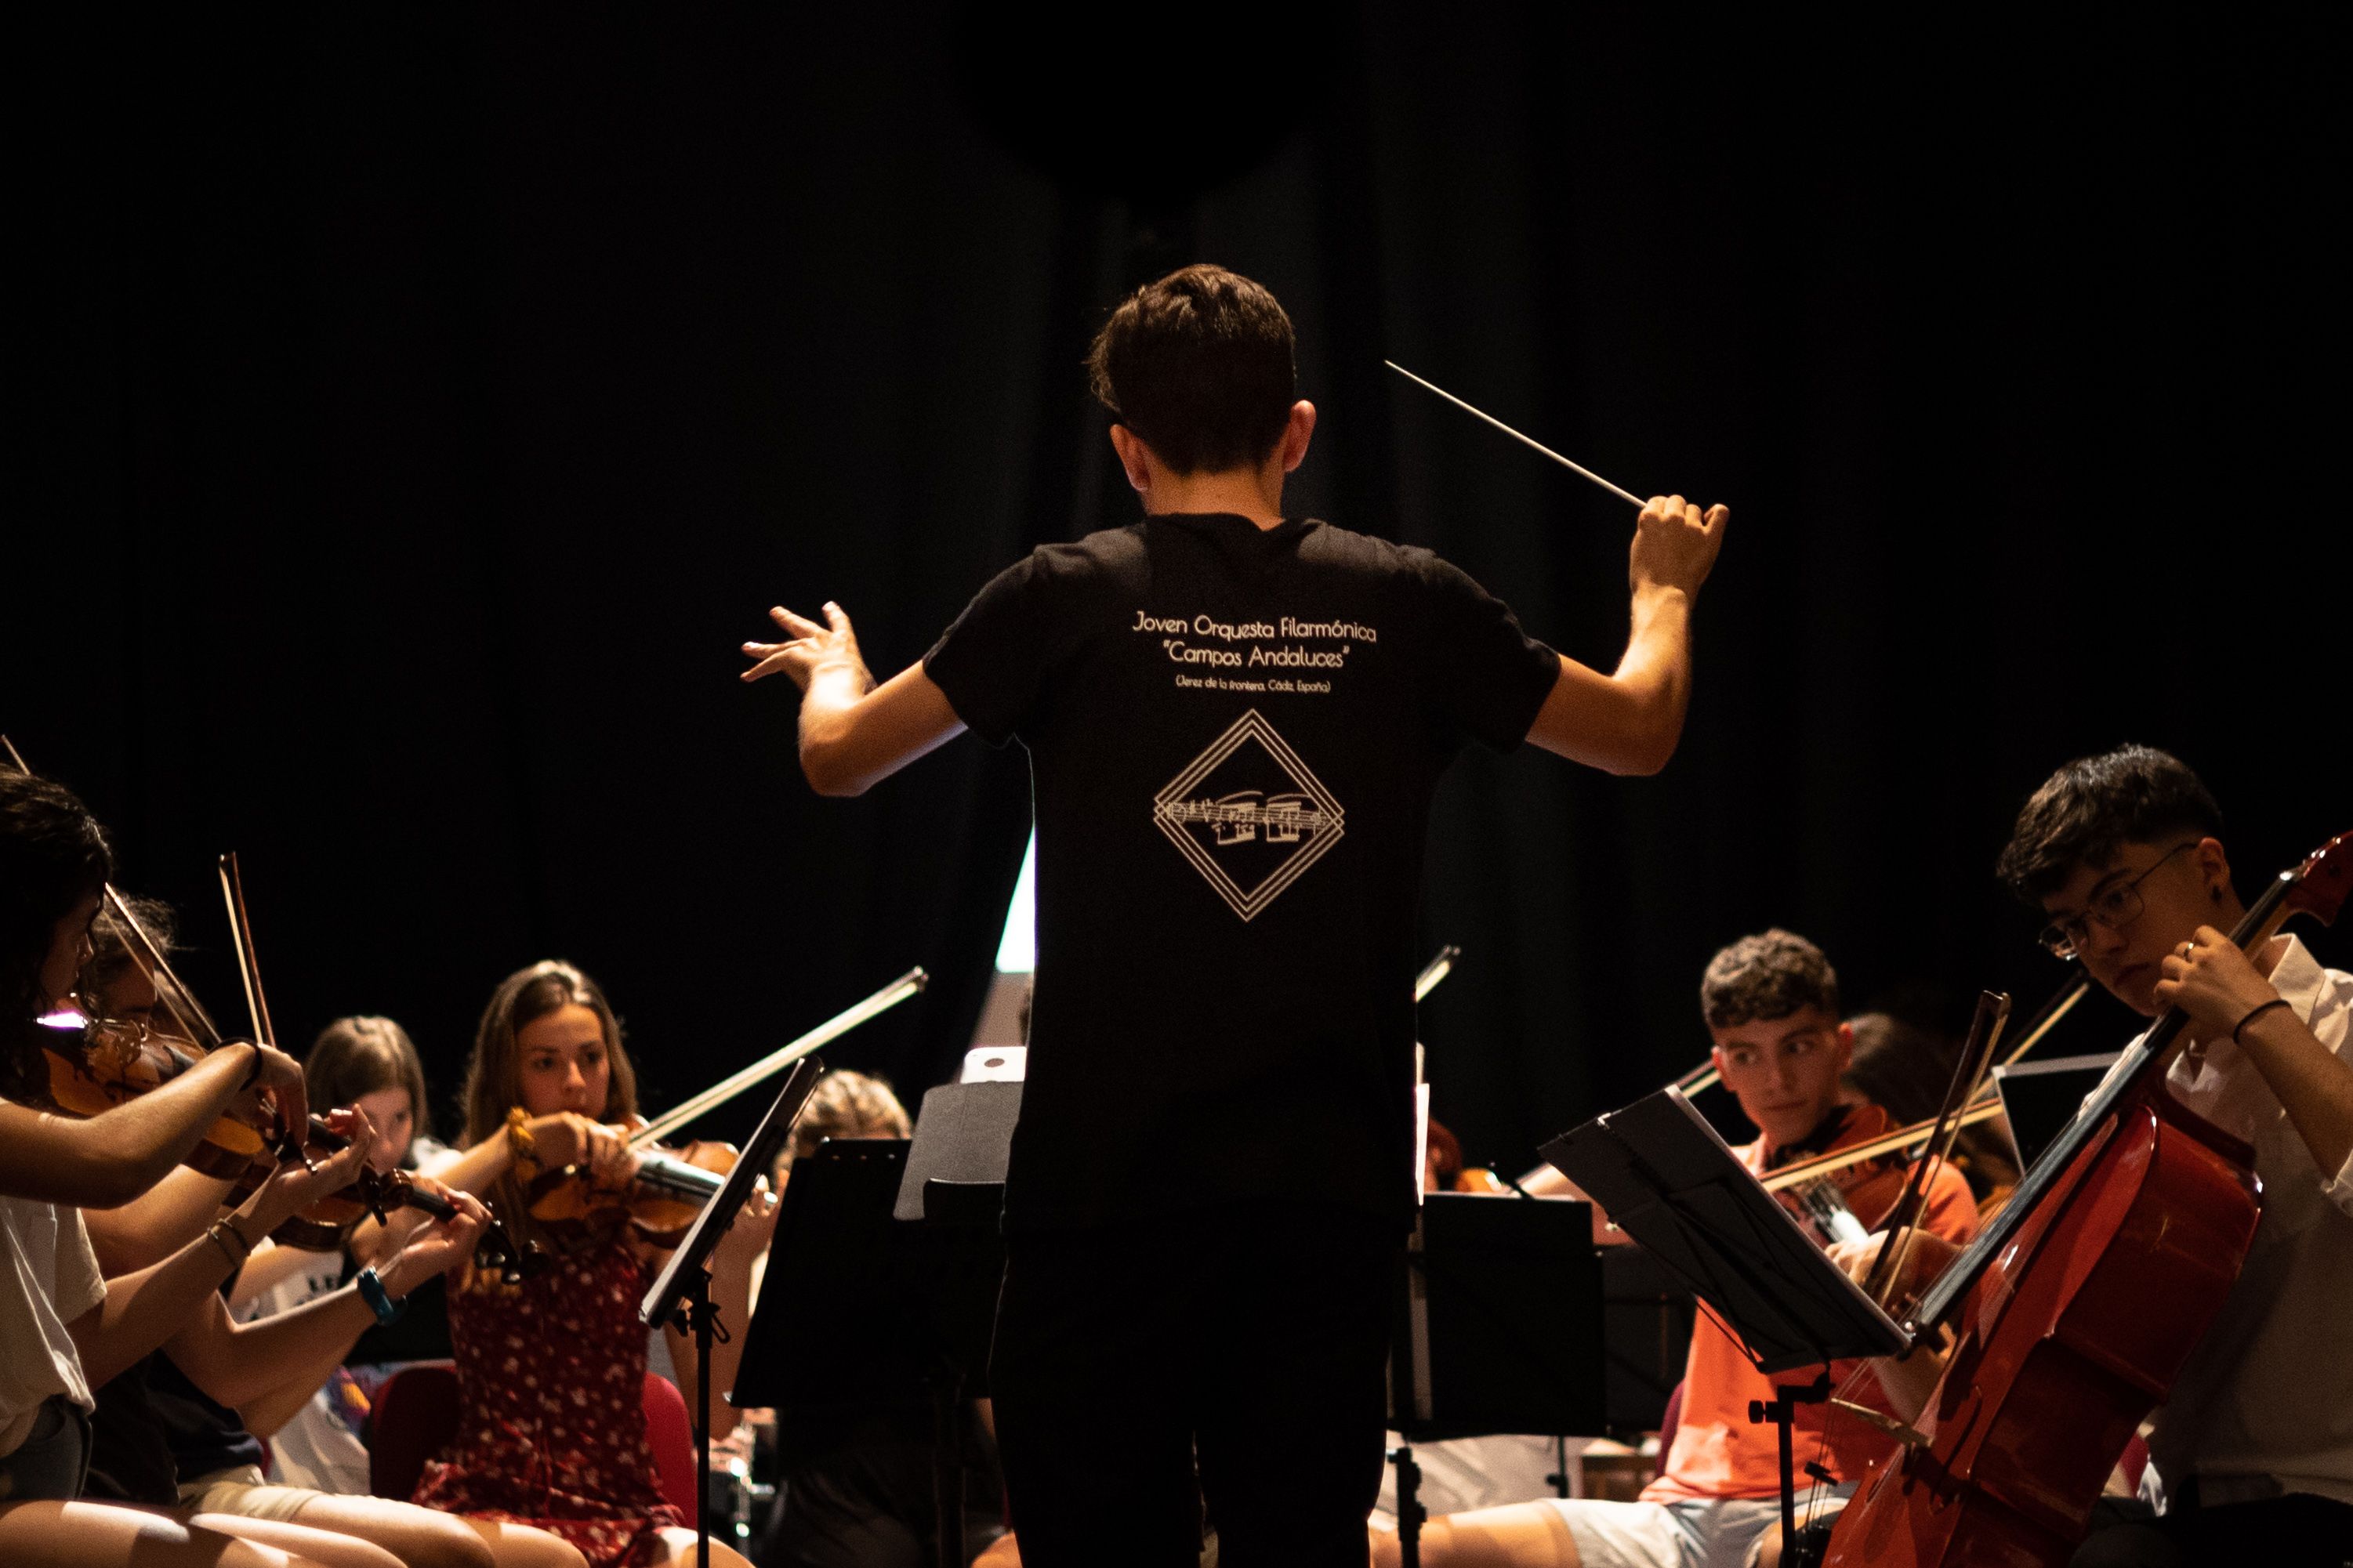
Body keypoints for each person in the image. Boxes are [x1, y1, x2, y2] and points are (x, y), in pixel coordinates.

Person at [740, 263, 1728, 1566]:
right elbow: (1640, 728)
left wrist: (833, 668)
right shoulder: (1405, 599)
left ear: (1127, 453)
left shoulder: (1061, 595)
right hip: (1321, 1209)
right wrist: (1661, 586)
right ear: (1297, 433)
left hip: (1099, 1211)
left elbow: (841, 758)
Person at [1373, 930, 1980, 1568]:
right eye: (1746, 1056)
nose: (1775, 1080)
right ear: (1719, 1068)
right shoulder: (1709, 1184)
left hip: (1834, 1498)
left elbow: (1946, 1413)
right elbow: (1542, 1213)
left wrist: (1875, 1306)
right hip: (1680, 1511)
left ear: (1843, 1045)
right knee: (1405, 1552)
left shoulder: (1928, 1187)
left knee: (1784, 1555)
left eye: (1797, 1046)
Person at [0, 766, 470, 1568]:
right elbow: (113, 1169)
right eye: (78, 931)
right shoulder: (50, 1139)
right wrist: (240, 1064)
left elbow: (86, 1339)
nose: (76, 974)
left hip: (57, 1467)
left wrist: (257, 1216)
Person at [71, 906, 540, 1568]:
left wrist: (391, 1278)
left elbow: (225, 1367)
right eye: (140, 1023)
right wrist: (252, 1139)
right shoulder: (75, 1157)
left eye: (164, 1025)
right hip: (131, 1483)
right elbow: (130, 1241)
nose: (164, 1052)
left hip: (204, 1473)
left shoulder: (170, 1169)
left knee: (461, 1552)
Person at [1985, 746, 2353, 1566]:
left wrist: (2257, 1017)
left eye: (2115, 898)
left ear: (2210, 866)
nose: (2103, 945)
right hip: (2177, 1503)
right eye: (2073, 928)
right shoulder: (2128, 1088)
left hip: (2328, 1498)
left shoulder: (2340, 1023)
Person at [408, 960, 779, 1568]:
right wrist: (514, 1143)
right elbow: (385, 1225)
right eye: (545, 1062)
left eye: (591, 1057)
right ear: (509, 1075)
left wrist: (737, 1257)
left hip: (623, 1510)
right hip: (490, 1502)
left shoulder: (644, 1211)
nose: (576, 1083)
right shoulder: (477, 1191)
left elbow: (717, 1412)